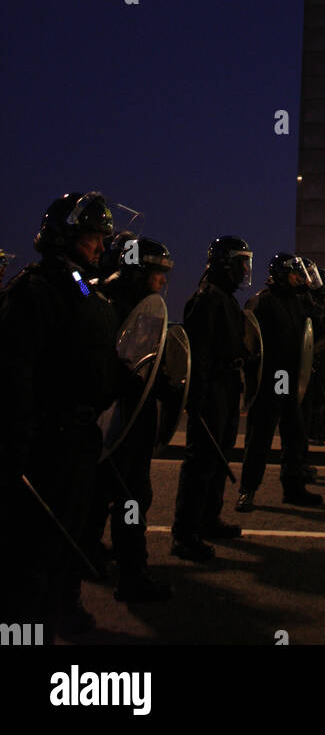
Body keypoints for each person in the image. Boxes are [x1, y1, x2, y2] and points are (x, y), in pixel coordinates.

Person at [0, 192, 126, 636]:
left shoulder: (84, 289)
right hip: (45, 442)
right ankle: (26, 627)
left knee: (68, 536)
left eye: (102, 237)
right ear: (66, 234)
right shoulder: (34, 289)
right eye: (92, 235)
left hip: (79, 437)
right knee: (32, 548)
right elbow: (15, 375)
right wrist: (17, 448)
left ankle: (63, 607)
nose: (100, 245)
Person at [84, 233, 175, 603]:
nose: (164, 280)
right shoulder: (118, 309)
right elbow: (121, 369)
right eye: (157, 272)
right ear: (138, 272)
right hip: (123, 419)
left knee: (102, 490)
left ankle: (87, 553)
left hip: (114, 420)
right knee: (133, 498)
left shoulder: (108, 301)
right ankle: (132, 574)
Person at [172, 236, 253, 560]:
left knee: (219, 458)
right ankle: (185, 534)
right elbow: (200, 353)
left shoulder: (226, 298)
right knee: (201, 462)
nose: (245, 269)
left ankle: (209, 519)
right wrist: (199, 400)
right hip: (213, 390)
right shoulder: (206, 298)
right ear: (224, 262)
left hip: (227, 386)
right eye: (240, 262)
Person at [236, 253, 323, 515]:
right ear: (283, 274)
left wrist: (309, 296)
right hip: (270, 378)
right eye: (296, 274)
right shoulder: (264, 301)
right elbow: (250, 341)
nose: (300, 278)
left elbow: (314, 327)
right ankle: (247, 491)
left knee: (295, 436)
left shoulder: (297, 302)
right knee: (260, 438)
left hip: (290, 379)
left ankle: (293, 488)